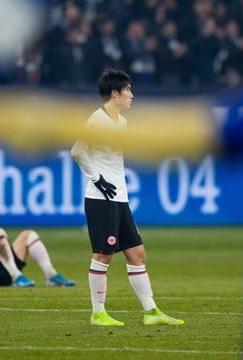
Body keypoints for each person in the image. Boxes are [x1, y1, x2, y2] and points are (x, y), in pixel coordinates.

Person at [70, 69, 184, 327]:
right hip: (100, 198)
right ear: (115, 93)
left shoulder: (121, 122)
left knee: (137, 254)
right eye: (128, 90)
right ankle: (98, 313)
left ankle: (151, 312)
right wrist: (96, 179)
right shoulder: (96, 120)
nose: (132, 95)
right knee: (104, 254)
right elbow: (77, 150)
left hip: (119, 198)